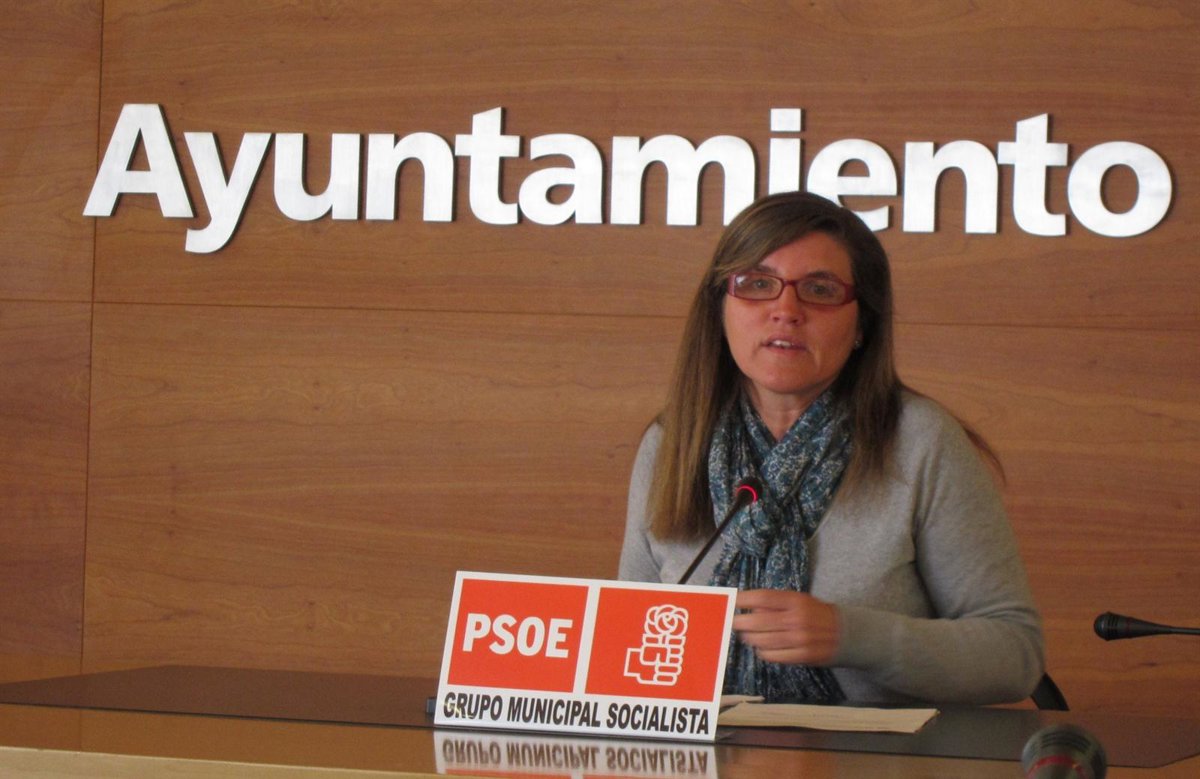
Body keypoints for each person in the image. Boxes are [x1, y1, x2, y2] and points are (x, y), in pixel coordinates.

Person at [618, 191, 1044, 706]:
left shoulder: (920, 441)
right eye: (757, 284)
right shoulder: (672, 442)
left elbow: (1015, 657)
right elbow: (627, 649)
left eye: (819, 290)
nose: (785, 311)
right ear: (720, 309)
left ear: (862, 324)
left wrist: (852, 636)